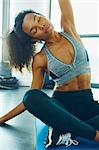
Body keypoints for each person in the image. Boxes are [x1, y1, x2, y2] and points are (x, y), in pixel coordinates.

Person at [0, 0, 99, 149]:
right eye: (34, 30)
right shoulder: (40, 58)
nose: (41, 26)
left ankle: (72, 131)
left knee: (81, 121)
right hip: (62, 108)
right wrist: (2, 119)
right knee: (31, 96)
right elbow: (31, 99)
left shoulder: (69, 29)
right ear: (34, 39)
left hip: (88, 104)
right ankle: (95, 135)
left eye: (38, 19)